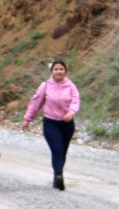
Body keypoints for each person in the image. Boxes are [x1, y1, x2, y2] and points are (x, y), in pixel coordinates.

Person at [22, 59, 80, 191]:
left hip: (67, 124)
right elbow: (35, 103)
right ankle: (59, 175)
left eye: (61, 69)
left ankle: (56, 176)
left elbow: (76, 101)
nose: (59, 71)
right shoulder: (45, 86)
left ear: (65, 71)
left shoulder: (71, 86)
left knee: (63, 151)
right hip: (51, 123)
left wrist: (71, 112)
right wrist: (27, 119)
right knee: (57, 148)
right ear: (52, 71)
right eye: (56, 69)